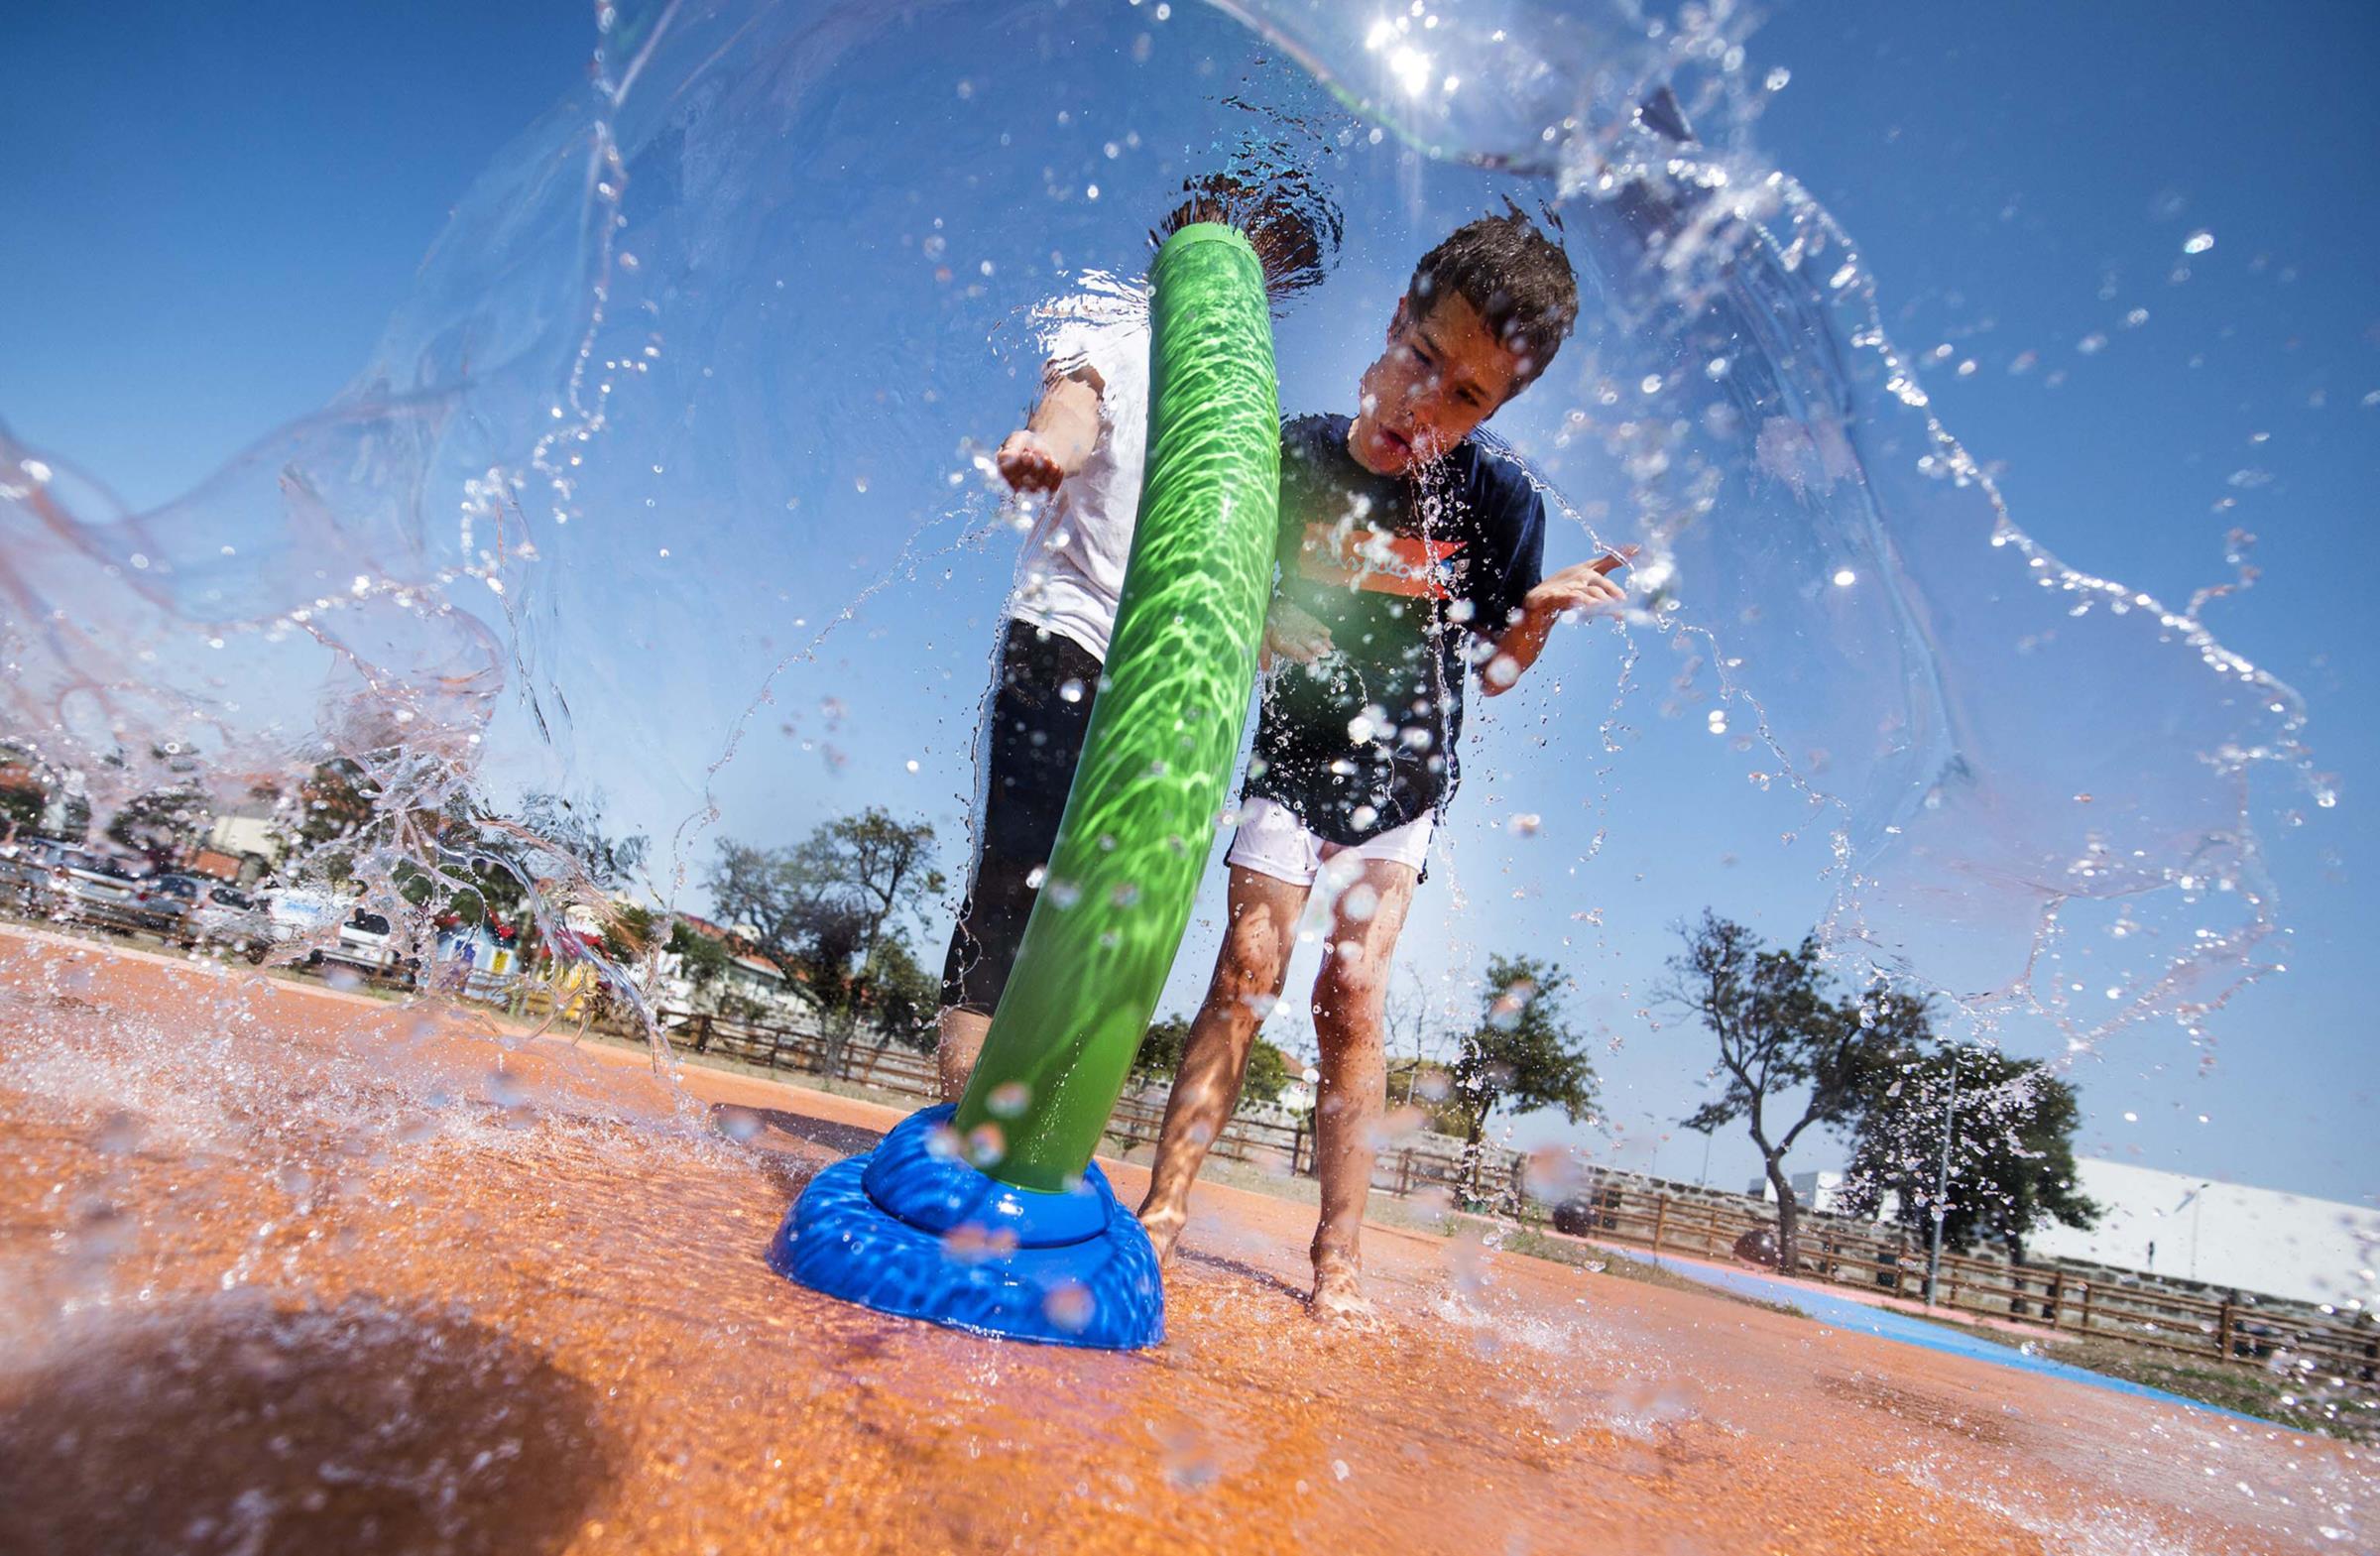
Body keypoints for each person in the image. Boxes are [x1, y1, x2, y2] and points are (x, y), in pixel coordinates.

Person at [1134, 209, 1629, 1318]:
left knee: (1352, 994)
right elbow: (1219, 622)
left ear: (1499, 410)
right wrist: (1262, 629)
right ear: (1395, 320)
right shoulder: (1286, 460)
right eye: (1424, 364)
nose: (1429, 408)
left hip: (1402, 785)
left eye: (1470, 400)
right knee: (1248, 970)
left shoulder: (1496, 499)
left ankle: (1339, 1262)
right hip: (1290, 759)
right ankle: (1162, 1214)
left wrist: (1535, 619)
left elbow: (1495, 675)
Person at [936, 176, 1334, 1100]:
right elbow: (1074, 403)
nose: (1249, 270)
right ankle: (955, 1108)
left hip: (1171, 666)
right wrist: (1046, 446)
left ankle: (1043, 1119)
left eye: (1270, 264)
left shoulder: (1242, 391)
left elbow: (1222, 535)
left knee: (1118, 901)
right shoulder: (1112, 319)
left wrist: (1268, 621)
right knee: (1017, 867)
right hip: (1066, 630)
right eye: (1239, 237)